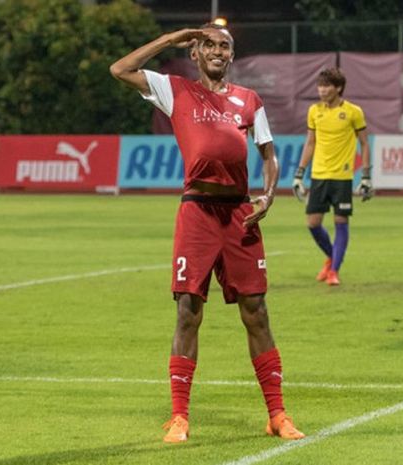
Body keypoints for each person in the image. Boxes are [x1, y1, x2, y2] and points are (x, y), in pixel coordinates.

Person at [110, 24, 305, 443]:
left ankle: (277, 414)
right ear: (195, 54)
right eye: (210, 45)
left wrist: (269, 196)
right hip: (197, 211)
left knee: (257, 312)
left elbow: (268, 152)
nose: (218, 51)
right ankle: (179, 417)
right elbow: (120, 69)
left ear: (232, 56)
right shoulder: (175, 90)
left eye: (225, 46)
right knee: (187, 311)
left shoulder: (248, 100)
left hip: (239, 214)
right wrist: (169, 39)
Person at [292, 67, 372, 286]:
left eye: (326, 86)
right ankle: (332, 256)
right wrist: (299, 174)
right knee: (313, 223)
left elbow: (364, 143)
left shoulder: (354, 112)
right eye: (320, 85)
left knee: (340, 221)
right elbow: (310, 143)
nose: (322, 90)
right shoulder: (314, 111)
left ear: (338, 88)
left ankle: (334, 270)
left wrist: (366, 176)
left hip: (343, 177)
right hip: (318, 175)